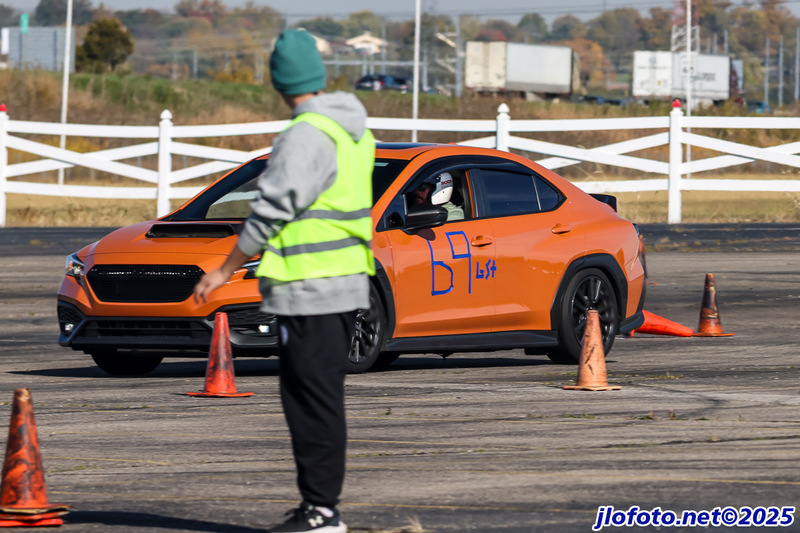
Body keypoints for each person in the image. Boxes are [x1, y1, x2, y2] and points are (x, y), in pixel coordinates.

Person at [192, 29, 374, 533]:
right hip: (344, 282)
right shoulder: (351, 130)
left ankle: (321, 512)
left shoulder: (305, 135)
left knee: (309, 401)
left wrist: (224, 270)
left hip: (310, 289)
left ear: (278, 79)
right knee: (320, 398)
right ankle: (320, 507)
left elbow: (270, 212)